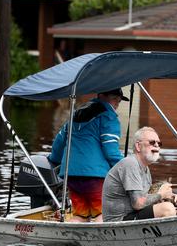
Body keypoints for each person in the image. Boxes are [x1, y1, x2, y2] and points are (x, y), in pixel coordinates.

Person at [49, 88, 129, 222]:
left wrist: (54, 160)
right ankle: (99, 243)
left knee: (80, 215)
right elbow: (111, 152)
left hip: (71, 176)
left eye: (119, 101)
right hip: (95, 178)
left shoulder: (75, 115)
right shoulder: (109, 117)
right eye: (114, 99)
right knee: (103, 214)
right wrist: (127, 169)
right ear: (101, 95)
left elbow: (59, 142)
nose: (116, 104)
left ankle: (73, 240)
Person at [102, 126, 177, 222]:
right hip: (118, 221)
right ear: (138, 146)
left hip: (132, 215)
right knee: (167, 209)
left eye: (159, 143)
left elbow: (146, 198)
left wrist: (169, 196)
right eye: (152, 142)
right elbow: (138, 203)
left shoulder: (145, 168)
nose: (157, 145)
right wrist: (161, 195)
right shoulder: (130, 164)